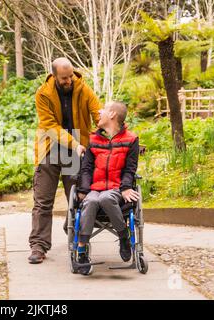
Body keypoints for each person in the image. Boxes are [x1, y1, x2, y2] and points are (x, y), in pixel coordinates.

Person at [28, 57, 102, 264]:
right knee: (42, 201)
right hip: (49, 148)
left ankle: (75, 233)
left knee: (78, 198)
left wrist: (108, 126)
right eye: (64, 78)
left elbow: (98, 112)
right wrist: (74, 143)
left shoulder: (82, 88)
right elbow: (50, 126)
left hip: (76, 151)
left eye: (70, 76)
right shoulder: (43, 93)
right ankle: (38, 246)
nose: (69, 80)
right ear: (54, 75)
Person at [75, 101, 140, 275]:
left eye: (103, 109)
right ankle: (81, 250)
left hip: (116, 189)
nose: (99, 111)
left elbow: (130, 169)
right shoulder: (92, 139)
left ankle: (123, 236)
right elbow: (86, 168)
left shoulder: (131, 139)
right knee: (90, 201)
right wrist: (83, 189)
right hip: (95, 189)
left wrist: (126, 187)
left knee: (106, 198)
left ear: (112, 114)